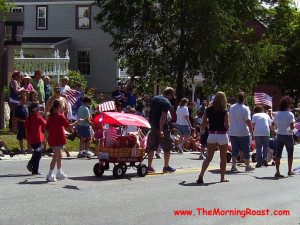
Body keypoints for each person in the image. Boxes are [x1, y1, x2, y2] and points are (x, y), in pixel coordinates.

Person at [45, 99, 83, 182]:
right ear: (59, 107)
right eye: (62, 106)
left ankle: (59, 172)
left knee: (59, 155)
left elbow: (47, 129)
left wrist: (46, 138)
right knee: (56, 156)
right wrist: (77, 122)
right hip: (58, 138)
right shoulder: (60, 116)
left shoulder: (50, 117)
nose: (63, 107)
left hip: (53, 138)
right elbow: (68, 126)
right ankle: (50, 173)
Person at [197, 91, 230, 183]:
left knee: (208, 157)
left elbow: (203, 122)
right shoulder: (225, 111)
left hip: (212, 134)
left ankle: (201, 174)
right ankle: (222, 177)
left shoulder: (208, 110)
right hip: (222, 135)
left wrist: (203, 129)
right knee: (223, 158)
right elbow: (227, 125)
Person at [146, 87, 176, 173]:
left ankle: (149, 166)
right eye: (172, 95)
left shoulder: (155, 98)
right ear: (170, 94)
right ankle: (166, 166)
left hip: (153, 126)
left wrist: (150, 124)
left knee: (151, 147)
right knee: (167, 147)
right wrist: (161, 130)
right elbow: (163, 117)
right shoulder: (166, 103)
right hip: (162, 128)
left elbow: (151, 112)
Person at [229, 92, 255, 172]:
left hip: (233, 131)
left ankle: (233, 165)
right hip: (243, 132)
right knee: (245, 149)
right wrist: (252, 132)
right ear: (244, 99)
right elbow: (248, 121)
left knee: (235, 149)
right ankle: (247, 165)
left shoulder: (232, 107)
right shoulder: (245, 108)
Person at [273, 96, 295, 177]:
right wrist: (293, 129)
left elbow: (273, 124)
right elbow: (292, 126)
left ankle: (277, 171)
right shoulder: (290, 114)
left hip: (280, 134)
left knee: (278, 153)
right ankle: (289, 170)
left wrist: (275, 131)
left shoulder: (278, 114)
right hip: (288, 135)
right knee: (290, 153)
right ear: (287, 104)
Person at [24, 102, 47, 175]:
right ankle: (33, 167)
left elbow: (26, 127)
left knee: (36, 153)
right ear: (34, 110)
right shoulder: (38, 118)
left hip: (31, 139)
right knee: (38, 154)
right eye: (38, 109)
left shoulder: (29, 117)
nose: (39, 109)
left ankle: (33, 167)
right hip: (38, 139)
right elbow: (45, 124)